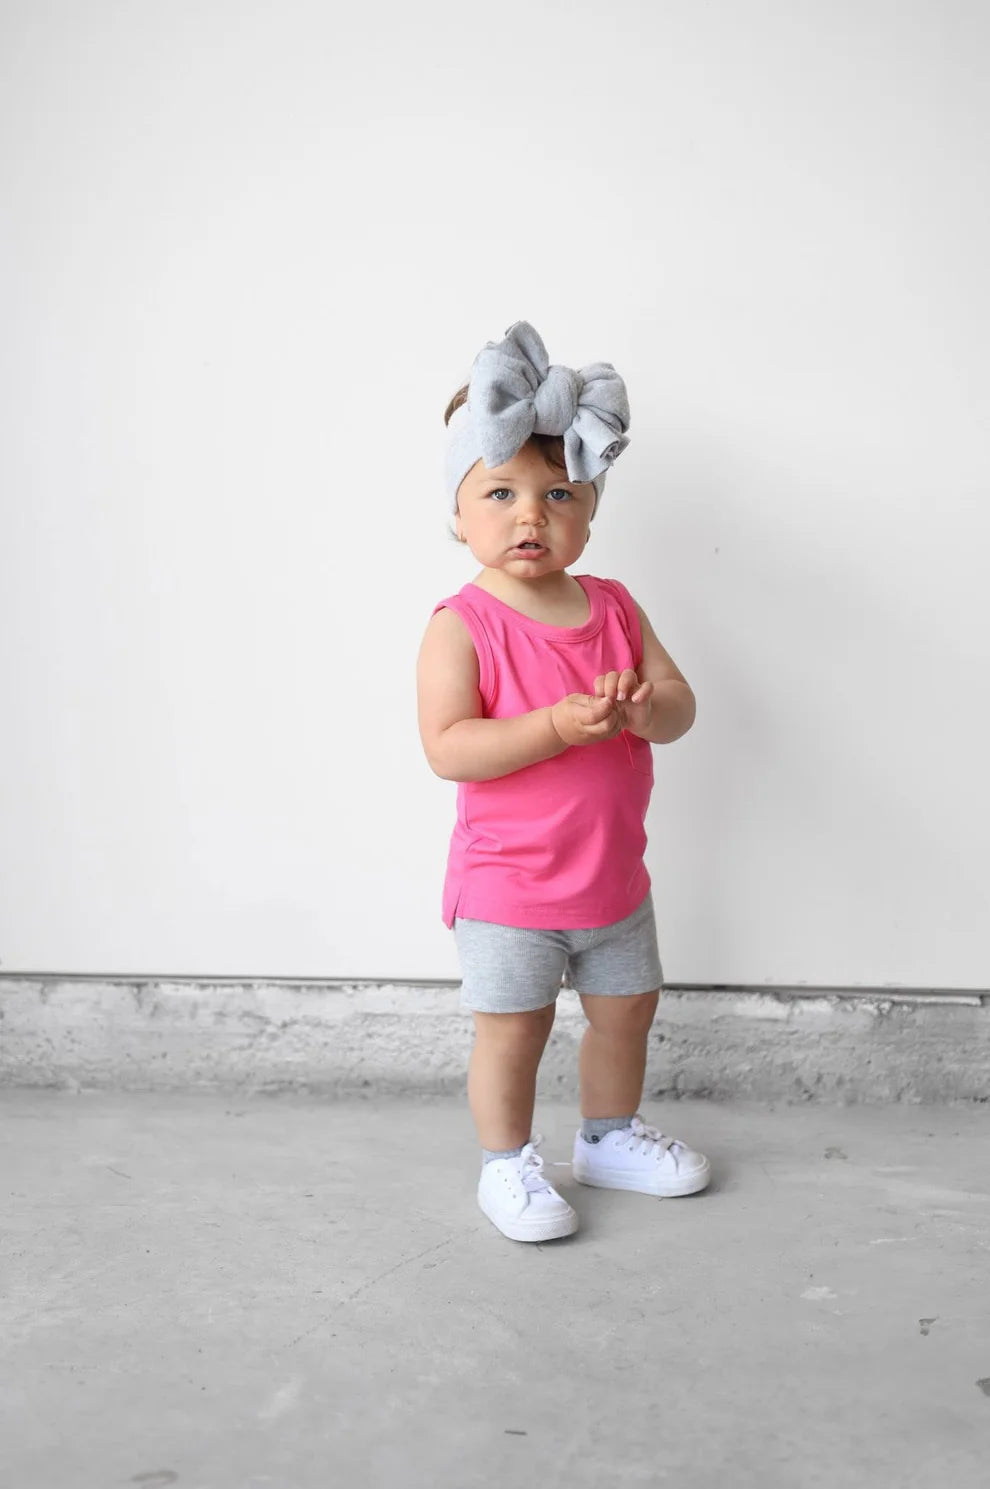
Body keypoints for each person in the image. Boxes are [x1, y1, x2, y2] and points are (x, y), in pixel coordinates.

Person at [416, 320, 711, 1244]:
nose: (530, 516)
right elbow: (448, 746)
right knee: (515, 1026)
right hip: (511, 890)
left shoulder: (615, 606)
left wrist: (645, 711)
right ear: (458, 511)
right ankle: (505, 1162)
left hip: (614, 881)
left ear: (589, 509)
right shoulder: (462, 625)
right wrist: (550, 726)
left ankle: (609, 1136)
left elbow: (680, 701)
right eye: (500, 492)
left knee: (626, 1013)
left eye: (558, 494)